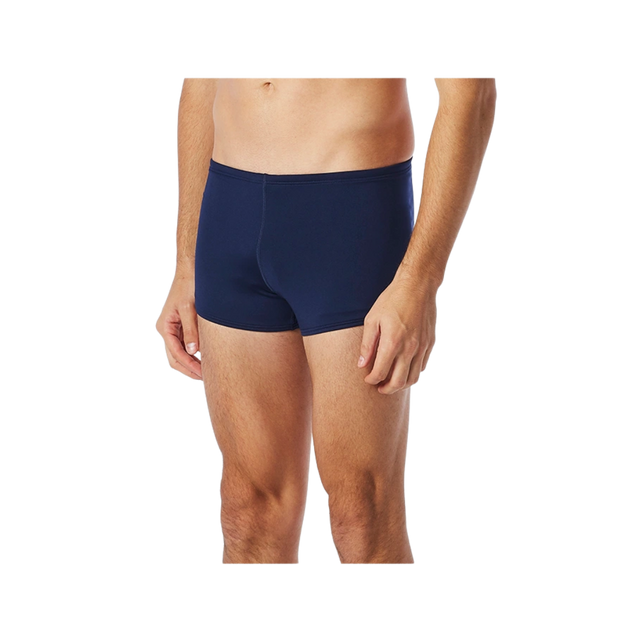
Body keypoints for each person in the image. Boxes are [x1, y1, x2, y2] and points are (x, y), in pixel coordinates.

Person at [153, 75, 497, 567]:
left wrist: (420, 282)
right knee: (249, 510)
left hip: (349, 215)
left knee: (362, 515)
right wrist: (186, 260)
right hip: (230, 213)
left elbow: (470, 92)